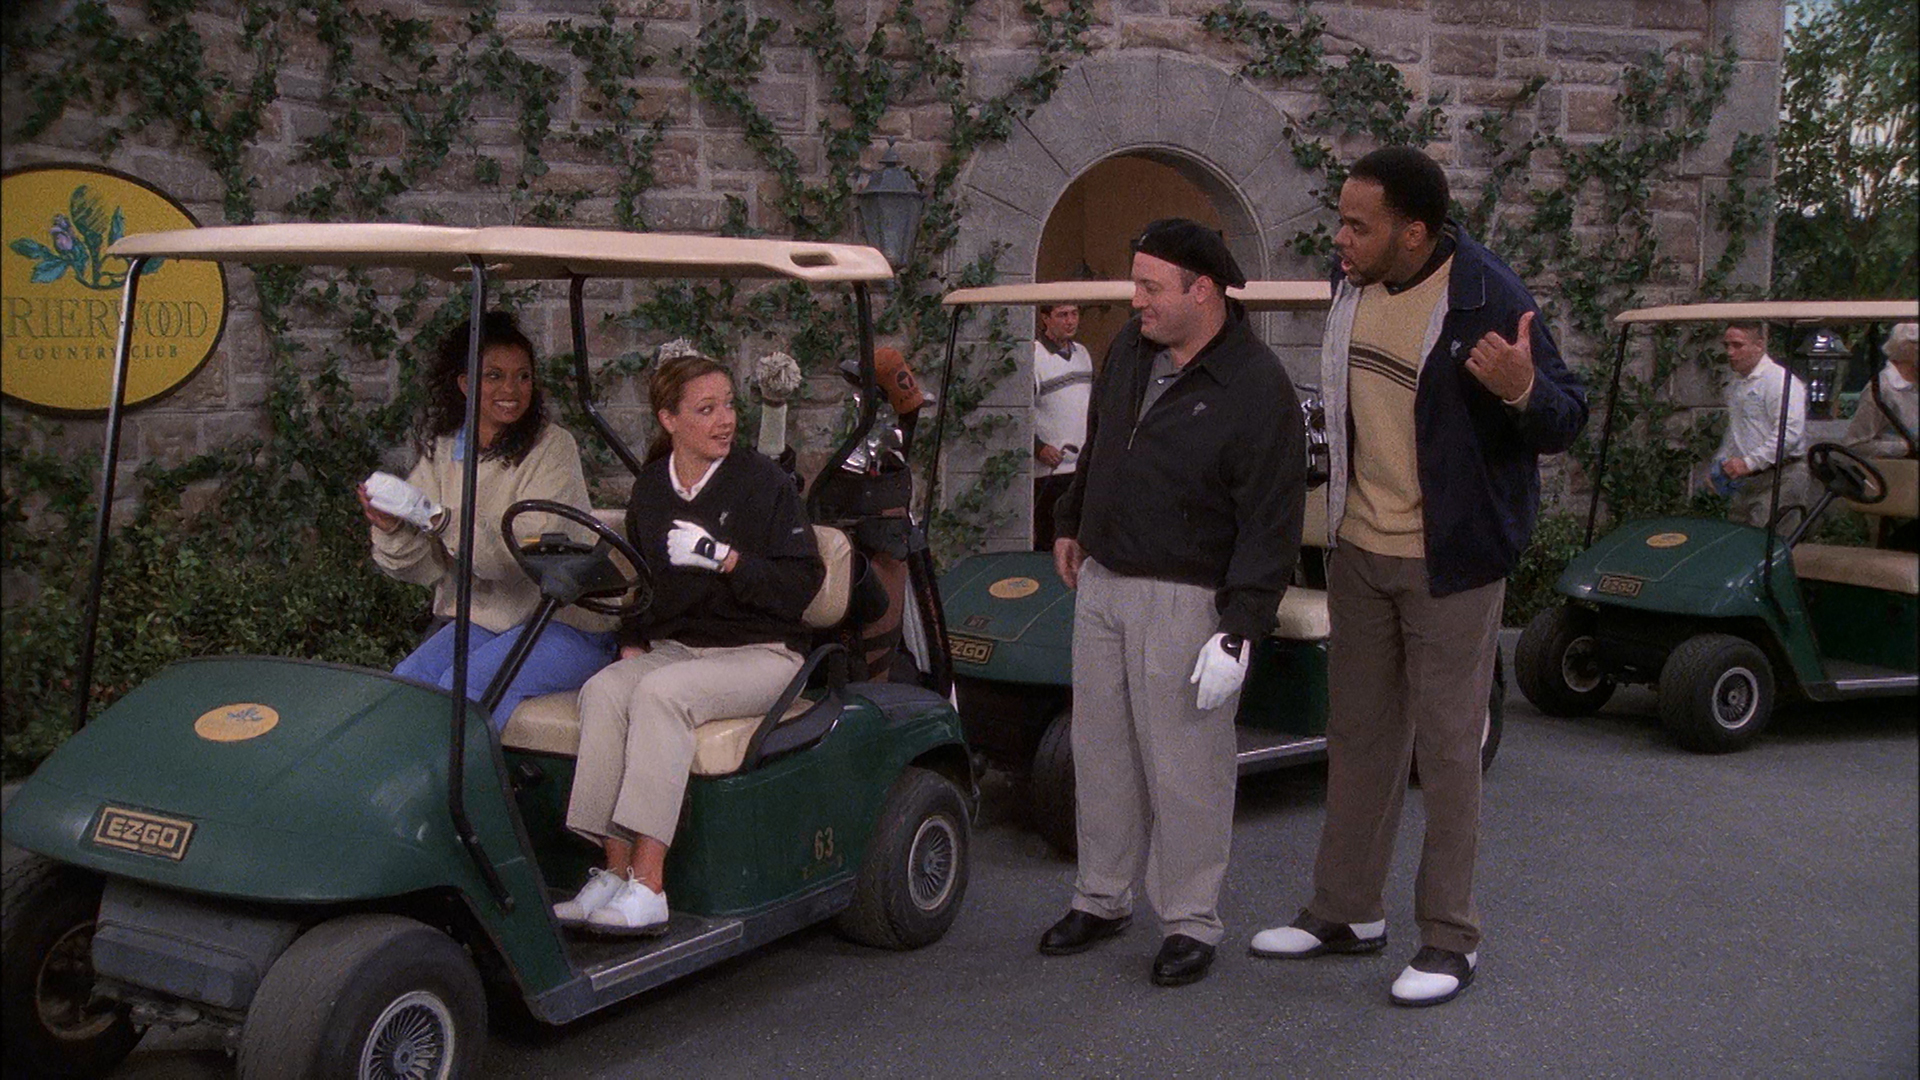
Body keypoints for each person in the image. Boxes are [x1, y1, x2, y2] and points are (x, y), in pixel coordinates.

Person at [1250, 146, 1586, 1007]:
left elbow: (1566, 417)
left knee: (1446, 752)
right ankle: (1347, 911)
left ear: (1415, 232)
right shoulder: (1352, 280)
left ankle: (1451, 938)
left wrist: (1522, 390)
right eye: (1341, 221)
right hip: (1359, 550)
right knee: (1358, 739)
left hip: (1452, 562)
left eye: (1357, 226)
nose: (1339, 238)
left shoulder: (1487, 296)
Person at [1041, 219, 1306, 987]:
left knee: (1187, 768)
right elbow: (1099, 440)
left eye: (1150, 287)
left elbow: (1272, 523)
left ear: (1204, 290)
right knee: (1102, 754)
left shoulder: (1257, 387)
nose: (1136, 301)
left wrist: (1239, 630)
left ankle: (1190, 920)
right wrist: (1071, 520)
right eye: (1137, 285)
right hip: (1104, 582)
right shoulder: (1130, 349)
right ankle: (1102, 897)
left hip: (1188, 598)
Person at [555, 353, 824, 933]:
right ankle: (615, 872)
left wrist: (727, 559)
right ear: (668, 419)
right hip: (682, 648)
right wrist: (633, 639)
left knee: (661, 695)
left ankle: (651, 886)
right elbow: (643, 581)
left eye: (728, 405)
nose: (725, 420)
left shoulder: (764, 483)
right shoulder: (652, 488)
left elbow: (802, 585)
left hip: (763, 652)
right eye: (706, 409)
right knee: (604, 690)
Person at [362, 311, 618, 731]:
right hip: (488, 622)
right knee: (407, 686)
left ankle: (459, 777)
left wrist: (442, 521)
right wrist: (393, 530)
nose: (511, 390)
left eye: (522, 377)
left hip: (564, 625)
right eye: (494, 376)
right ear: (465, 384)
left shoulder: (552, 448)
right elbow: (425, 567)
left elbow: (521, 555)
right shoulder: (446, 450)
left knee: (467, 686)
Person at [1710, 321, 1814, 529]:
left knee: (1770, 541)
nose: (1730, 352)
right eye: (1726, 345)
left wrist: (1749, 462)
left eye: (1738, 345)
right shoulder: (1737, 383)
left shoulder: (1779, 381)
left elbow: (1788, 434)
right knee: (1739, 538)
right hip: (1747, 479)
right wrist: (1721, 462)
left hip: (1781, 476)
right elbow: (1738, 429)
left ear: (1759, 345)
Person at [1033, 303, 1093, 551]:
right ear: (1045, 318)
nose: (1070, 321)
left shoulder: (1082, 353)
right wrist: (1038, 447)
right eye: (1062, 315)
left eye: (1074, 314)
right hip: (1051, 470)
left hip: (1082, 467)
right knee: (1051, 541)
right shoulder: (1034, 356)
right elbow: (1020, 412)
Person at [1844, 321, 1918, 459]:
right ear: (1908, 348)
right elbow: (1856, 445)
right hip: (1897, 468)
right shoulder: (1882, 389)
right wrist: (1906, 447)